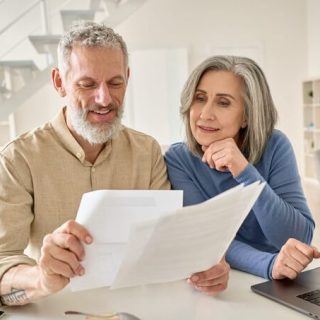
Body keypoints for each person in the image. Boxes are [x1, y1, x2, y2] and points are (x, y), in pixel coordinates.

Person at [0, 22, 228, 306]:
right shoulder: (18, 158)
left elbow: (167, 244)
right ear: (59, 82)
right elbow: (3, 264)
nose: (105, 99)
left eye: (115, 83)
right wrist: (40, 279)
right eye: (87, 84)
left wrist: (204, 264)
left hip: (138, 308)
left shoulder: (147, 152)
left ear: (128, 78)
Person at [165, 55, 315, 281]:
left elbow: (299, 236)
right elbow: (208, 237)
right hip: (224, 277)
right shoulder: (179, 159)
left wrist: (246, 173)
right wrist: (269, 264)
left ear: (246, 116)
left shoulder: (275, 145)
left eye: (223, 102)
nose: (205, 114)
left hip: (276, 279)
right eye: (200, 98)